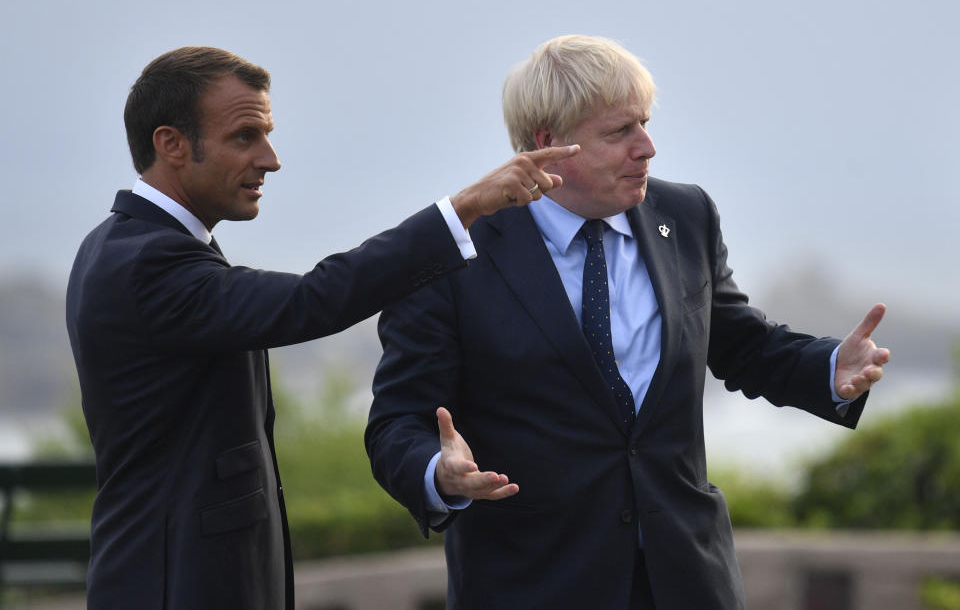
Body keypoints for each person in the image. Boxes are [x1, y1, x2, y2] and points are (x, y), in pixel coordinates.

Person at [364, 35, 890, 609]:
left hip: (688, 582)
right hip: (531, 585)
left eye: (644, 123)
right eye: (619, 132)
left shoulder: (686, 215)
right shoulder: (449, 256)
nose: (648, 147)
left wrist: (830, 366)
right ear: (548, 145)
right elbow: (396, 424)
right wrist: (438, 473)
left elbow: (742, 345)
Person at [65, 46, 578, 610]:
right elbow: (313, 300)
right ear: (172, 145)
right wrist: (463, 210)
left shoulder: (125, 245)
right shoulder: (148, 263)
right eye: (245, 137)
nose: (271, 159)